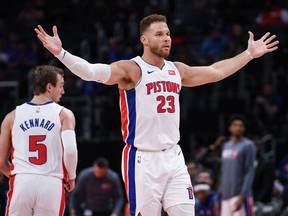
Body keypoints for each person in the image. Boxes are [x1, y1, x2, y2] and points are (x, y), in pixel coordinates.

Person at [34, 14, 278, 216]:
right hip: (142, 159)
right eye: (159, 34)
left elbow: (215, 72)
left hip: (173, 156)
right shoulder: (131, 69)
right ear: (144, 39)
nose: (167, 38)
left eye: (168, 33)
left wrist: (248, 55)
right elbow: (91, 72)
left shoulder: (177, 70)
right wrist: (61, 53)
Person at [0, 65, 78, 216]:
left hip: (22, 181)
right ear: (49, 87)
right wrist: (72, 177)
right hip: (51, 182)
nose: (63, 91)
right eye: (61, 86)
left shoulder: (11, 116)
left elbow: (1, 162)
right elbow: (70, 150)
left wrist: (22, 175)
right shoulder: (64, 114)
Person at [219, 115, 256, 216]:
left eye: (241, 125)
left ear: (244, 128)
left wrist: (243, 195)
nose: (238, 128)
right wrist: (220, 193)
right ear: (230, 128)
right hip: (225, 196)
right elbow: (223, 171)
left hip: (240, 195)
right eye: (235, 125)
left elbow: (250, 171)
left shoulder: (248, 145)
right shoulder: (226, 145)